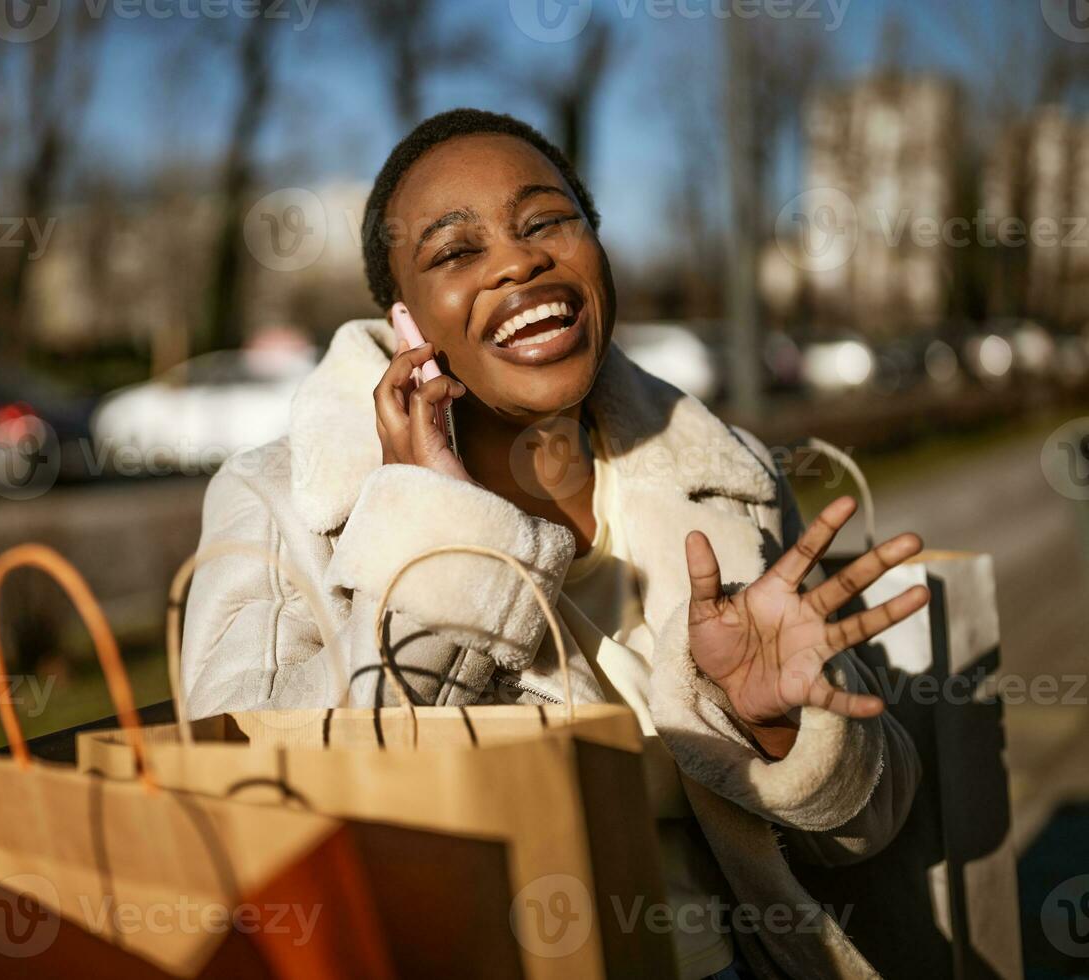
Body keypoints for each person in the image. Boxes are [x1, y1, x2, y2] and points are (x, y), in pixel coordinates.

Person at [180, 108, 922, 979]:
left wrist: (776, 727)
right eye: (456, 252)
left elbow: (874, 823)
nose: (518, 259)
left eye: (548, 222)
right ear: (404, 320)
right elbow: (244, 810)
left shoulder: (726, 472)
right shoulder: (279, 500)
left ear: (598, 254)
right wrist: (435, 539)